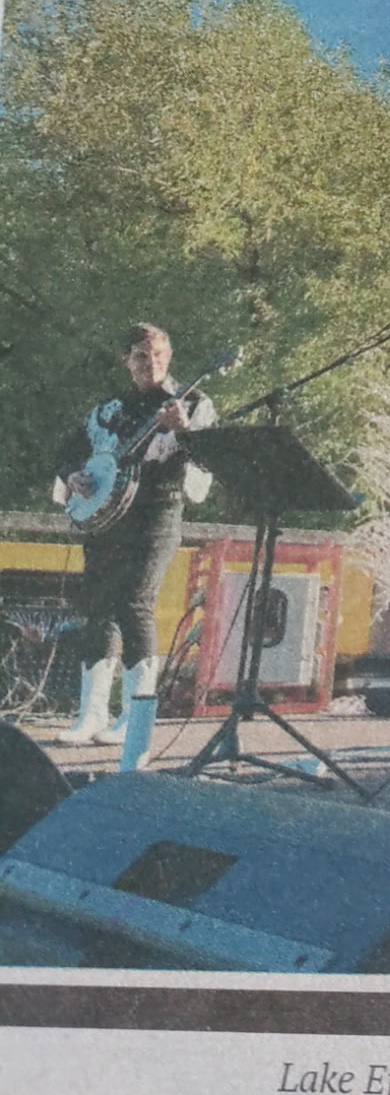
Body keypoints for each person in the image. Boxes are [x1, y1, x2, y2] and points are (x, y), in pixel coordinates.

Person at [54, 323, 215, 770]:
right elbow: (69, 450)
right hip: (108, 516)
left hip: (158, 513)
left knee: (135, 602)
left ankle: (136, 715)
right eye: (143, 357)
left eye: (161, 356)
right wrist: (73, 476)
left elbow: (207, 460)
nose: (153, 365)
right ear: (126, 360)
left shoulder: (193, 403)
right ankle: (91, 714)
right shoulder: (109, 409)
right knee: (97, 605)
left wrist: (182, 433)